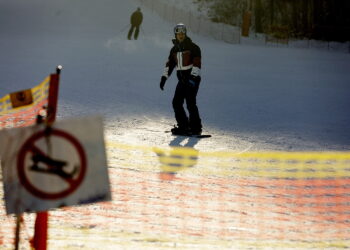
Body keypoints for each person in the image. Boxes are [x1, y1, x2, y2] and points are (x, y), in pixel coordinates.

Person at [159, 23, 202, 135]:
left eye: (183, 33)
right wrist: (164, 77)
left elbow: (197, 64)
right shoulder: (174, 49)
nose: (181, 35)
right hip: (182, 80)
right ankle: (183, 126)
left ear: (185, 34)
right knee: (176, 102)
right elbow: (170, 65)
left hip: (193, 79)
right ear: (176, 35)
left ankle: (196, 128)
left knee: (190, 103)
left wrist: (193, 78)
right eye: (179, 34)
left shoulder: (193, 47)